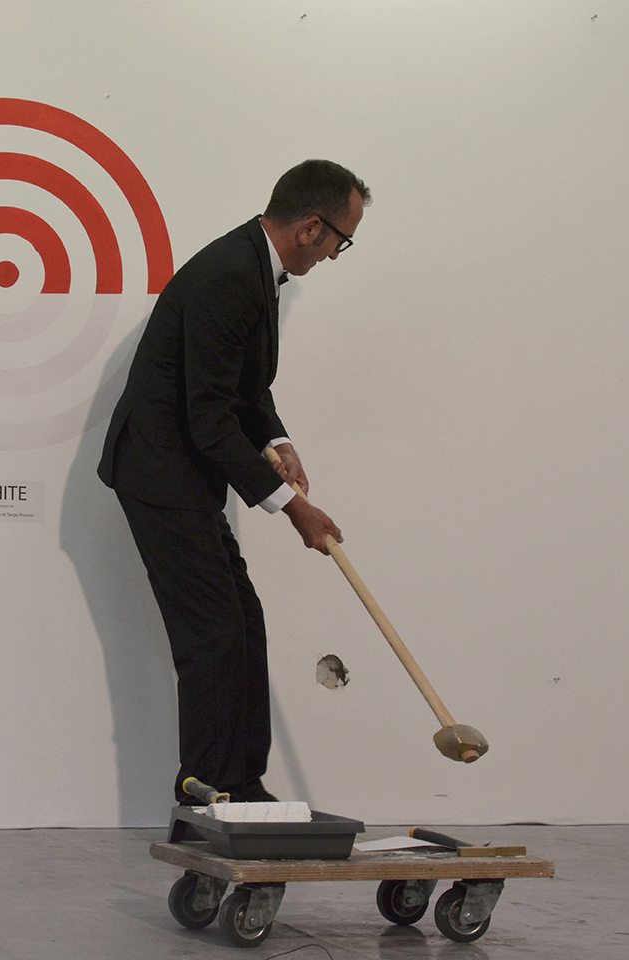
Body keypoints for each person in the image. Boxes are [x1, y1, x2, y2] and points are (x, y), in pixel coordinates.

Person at [98, 159, 370, 804]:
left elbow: (243, 384)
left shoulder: (252, 265)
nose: (334, 255)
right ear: (311, 228)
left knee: (240, 622)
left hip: (183, 469)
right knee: (213, 635)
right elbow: (209, 415)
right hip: (159, 471)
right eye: (340, 240)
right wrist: (292, 507)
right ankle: (209, 797)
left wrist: (276, 440)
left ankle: (241, 785)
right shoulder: (230, 275)